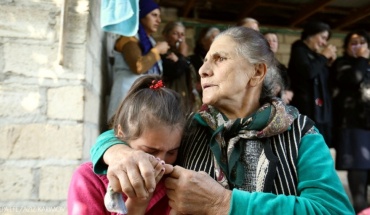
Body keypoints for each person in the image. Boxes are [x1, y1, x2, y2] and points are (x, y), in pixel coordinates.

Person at [91, 27, 354, 214]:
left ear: (256, 72)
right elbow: (118, 137)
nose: (204, 70)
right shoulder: (192, 127)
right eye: (205, 60)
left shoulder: (300, 133)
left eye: (219, 59)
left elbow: (333, 210)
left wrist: (225, 204)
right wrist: (119, 152)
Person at [68, 75, 188, 215]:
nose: (161, 162)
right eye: (150, 151)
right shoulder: (89, 180)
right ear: (121, 133)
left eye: (172, 152)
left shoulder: (177, 184)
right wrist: (137, 204)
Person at [107, 0, 170, 121]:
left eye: (159, 16)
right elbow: (138, 66)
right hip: (126, 99)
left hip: (141, 104)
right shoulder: (129, 37)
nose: (159, 20)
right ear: (142, 15)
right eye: (154, 15)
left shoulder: (149, 42)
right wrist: (157, 51)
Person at [331, 29, 370, 214]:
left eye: (362, 42)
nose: (358, 46)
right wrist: (361, 60)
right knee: (359, 175)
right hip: (354, 126)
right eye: (353, 43)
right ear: (346, 48)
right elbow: (353, 79)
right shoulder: (342, 64)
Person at [287, 21, 337, 147]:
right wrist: (323, 56)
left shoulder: (316, 56)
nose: (324, 43)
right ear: (310, 34)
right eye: (323, 37)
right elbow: (308, 72)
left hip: (321, 112)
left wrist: (329, 65)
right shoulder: (299, 50)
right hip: (306, 112)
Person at [161, 21, 201, 111]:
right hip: (170, 101)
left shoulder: (181, 56)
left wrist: (181, 58)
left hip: (185, 100)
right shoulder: (163, 54)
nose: (180, 38)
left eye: (182, 34)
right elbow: (175, 71)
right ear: (166, 36)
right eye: (175, 33)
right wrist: (183, 56)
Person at [188, 26, 220, 97]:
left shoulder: (221, 60)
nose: (217, 41)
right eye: (214, 37)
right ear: (203, 41)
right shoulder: (192, 60)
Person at [263, 31, 294, 104]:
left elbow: (288, 86)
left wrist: (288, 93)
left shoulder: (282, 67)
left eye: (274, 41)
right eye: (268, 40)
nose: (271, 43)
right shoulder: (258, 65)